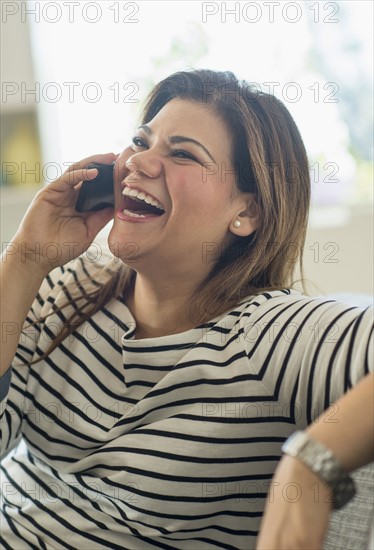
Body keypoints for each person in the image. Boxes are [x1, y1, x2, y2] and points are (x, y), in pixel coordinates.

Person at [0, 69, 372, 550]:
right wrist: (24, 259)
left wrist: (312, 462)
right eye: (141, 140)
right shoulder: (68, 289)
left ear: (248, 212)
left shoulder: (268, 333)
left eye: (182, 153)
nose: (138, 163)